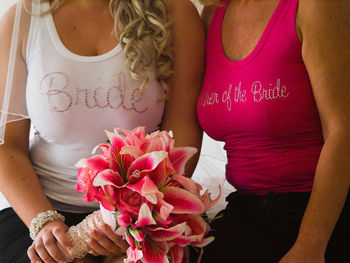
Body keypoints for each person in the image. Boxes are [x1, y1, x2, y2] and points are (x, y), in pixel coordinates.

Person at [0, 0, 205, 262]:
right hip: (42, 212)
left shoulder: (175, 11)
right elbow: (6, 145)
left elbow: (183, 134)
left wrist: (134, 224)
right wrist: (44, 223)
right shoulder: (22, 19)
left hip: (142, 216)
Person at [196, 0, 350, 262]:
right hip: (246, 210)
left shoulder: (314, 6)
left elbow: (343, 130)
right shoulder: (212, 15)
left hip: (322, 212)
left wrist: (310, 245)